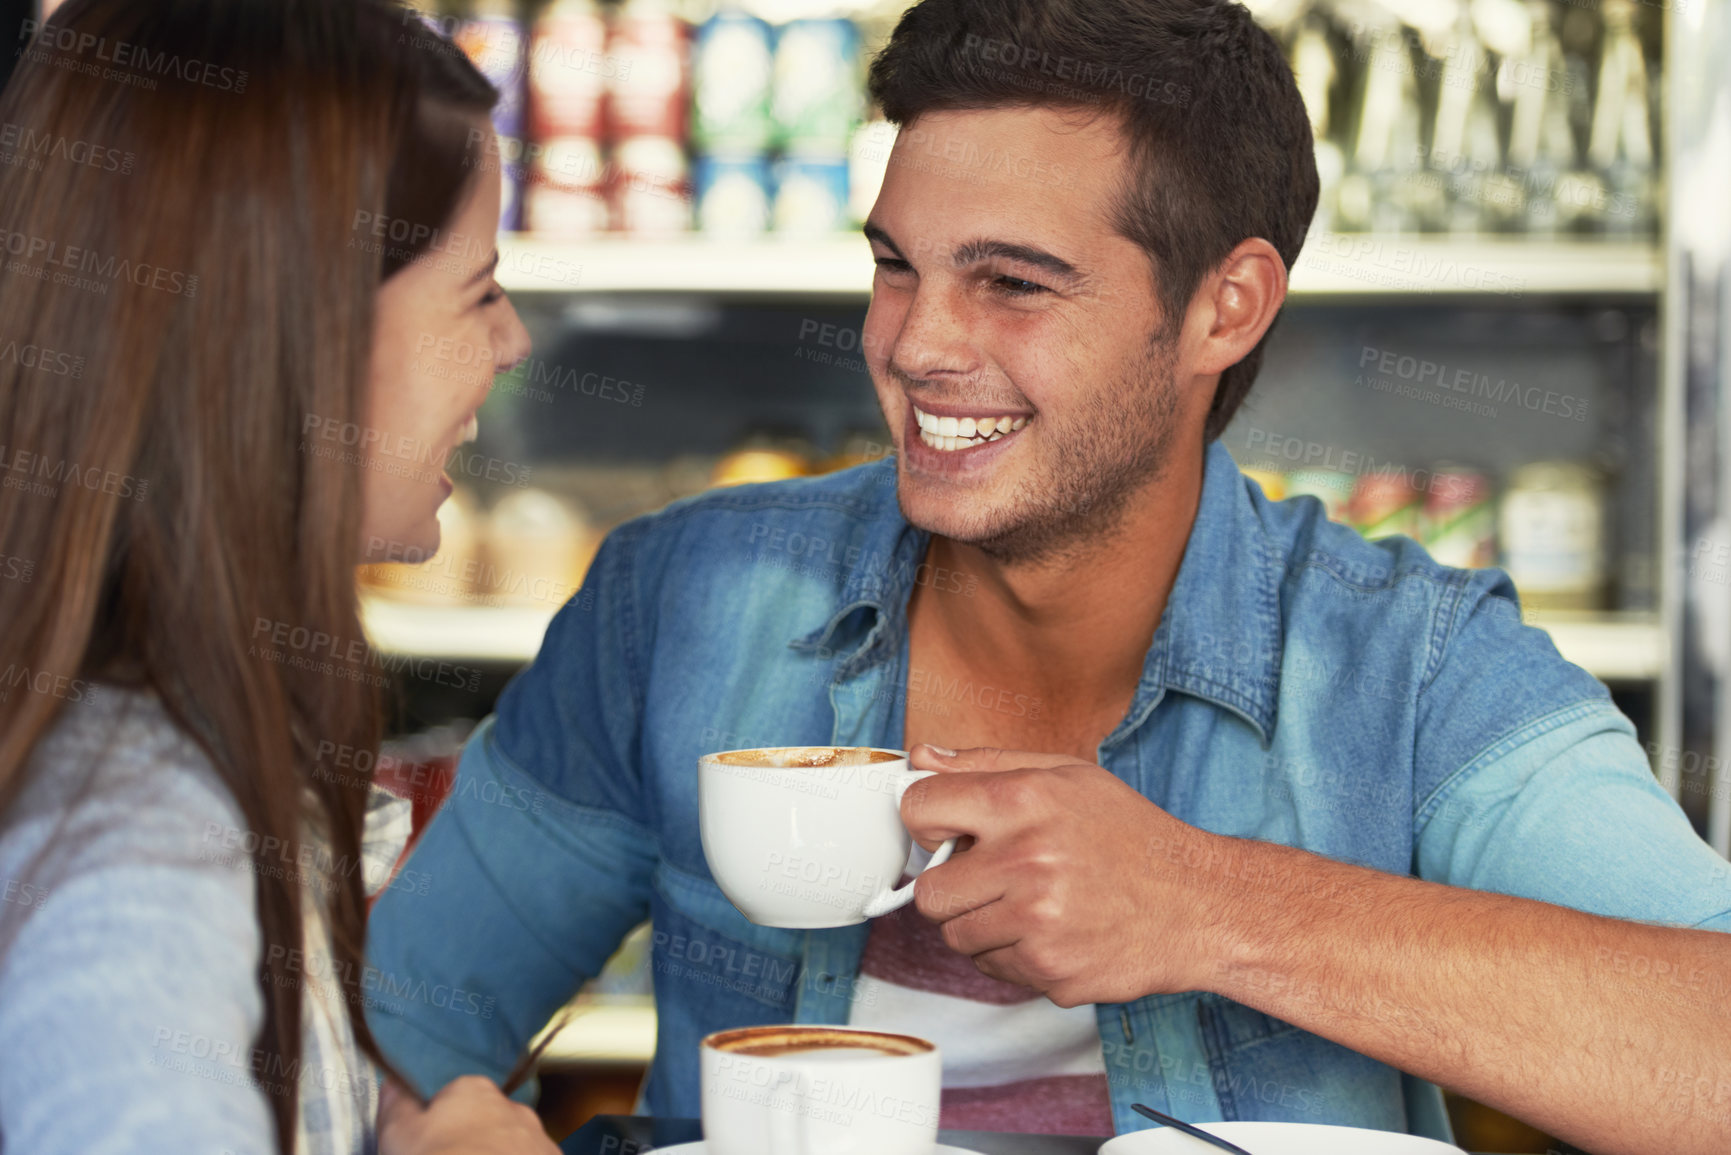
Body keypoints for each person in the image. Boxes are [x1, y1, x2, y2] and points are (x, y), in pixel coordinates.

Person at [365, 0, 1731, 1151]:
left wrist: (1206, 901)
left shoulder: (1408, 665)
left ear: (1223, 306)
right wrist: (444, 1112)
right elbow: (400, 1022)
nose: (915, 346)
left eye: (1011, 284)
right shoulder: (681, 600)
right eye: (896, 268)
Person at [0, 2, 556, 1153]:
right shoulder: (134, 839)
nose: (513, 343)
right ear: (305, 333)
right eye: (479, 290)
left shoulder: (179, 733)